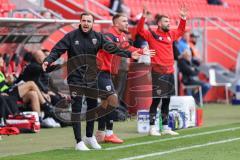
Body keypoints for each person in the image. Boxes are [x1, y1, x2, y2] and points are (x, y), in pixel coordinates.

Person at [42, 12, 142, 151]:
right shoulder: (71, 36)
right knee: (76, 109)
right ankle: (78, 142)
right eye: (84, 20)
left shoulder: (97, 37)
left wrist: (130, 54)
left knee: (92, 107)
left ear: (92, 23)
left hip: (92, 77)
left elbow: (112, 48)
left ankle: (89, 137)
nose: (86, 23)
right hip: (75, 78)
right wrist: (48, 60)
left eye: (89, 21)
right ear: (80, 21)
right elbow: (57, 50)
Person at [95, 13, 155, 144]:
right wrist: (129, 53)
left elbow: (128, 47)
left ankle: (100, 133)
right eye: (124, 21)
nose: (127, 23)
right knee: (113, 99)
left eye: (127, 21)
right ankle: (109, 134)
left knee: (105, 104)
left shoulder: (121, 36)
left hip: (108, 73)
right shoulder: (108, 36)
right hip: (100, 72)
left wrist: (140, 50)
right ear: (115, 24)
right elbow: (112, 49)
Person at [136, 5, 188, 136]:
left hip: (170, 71)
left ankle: (165, 126)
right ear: (159, 23)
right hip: (158, 72)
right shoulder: (152, 34)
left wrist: (183, 18)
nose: (168, 23)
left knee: (167, 100)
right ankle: (152, 127)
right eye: (166, 21)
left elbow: (181, 31)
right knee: (156, 100)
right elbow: (140, 31)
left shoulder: (171, 34)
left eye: (169, 21)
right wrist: (142, 17)